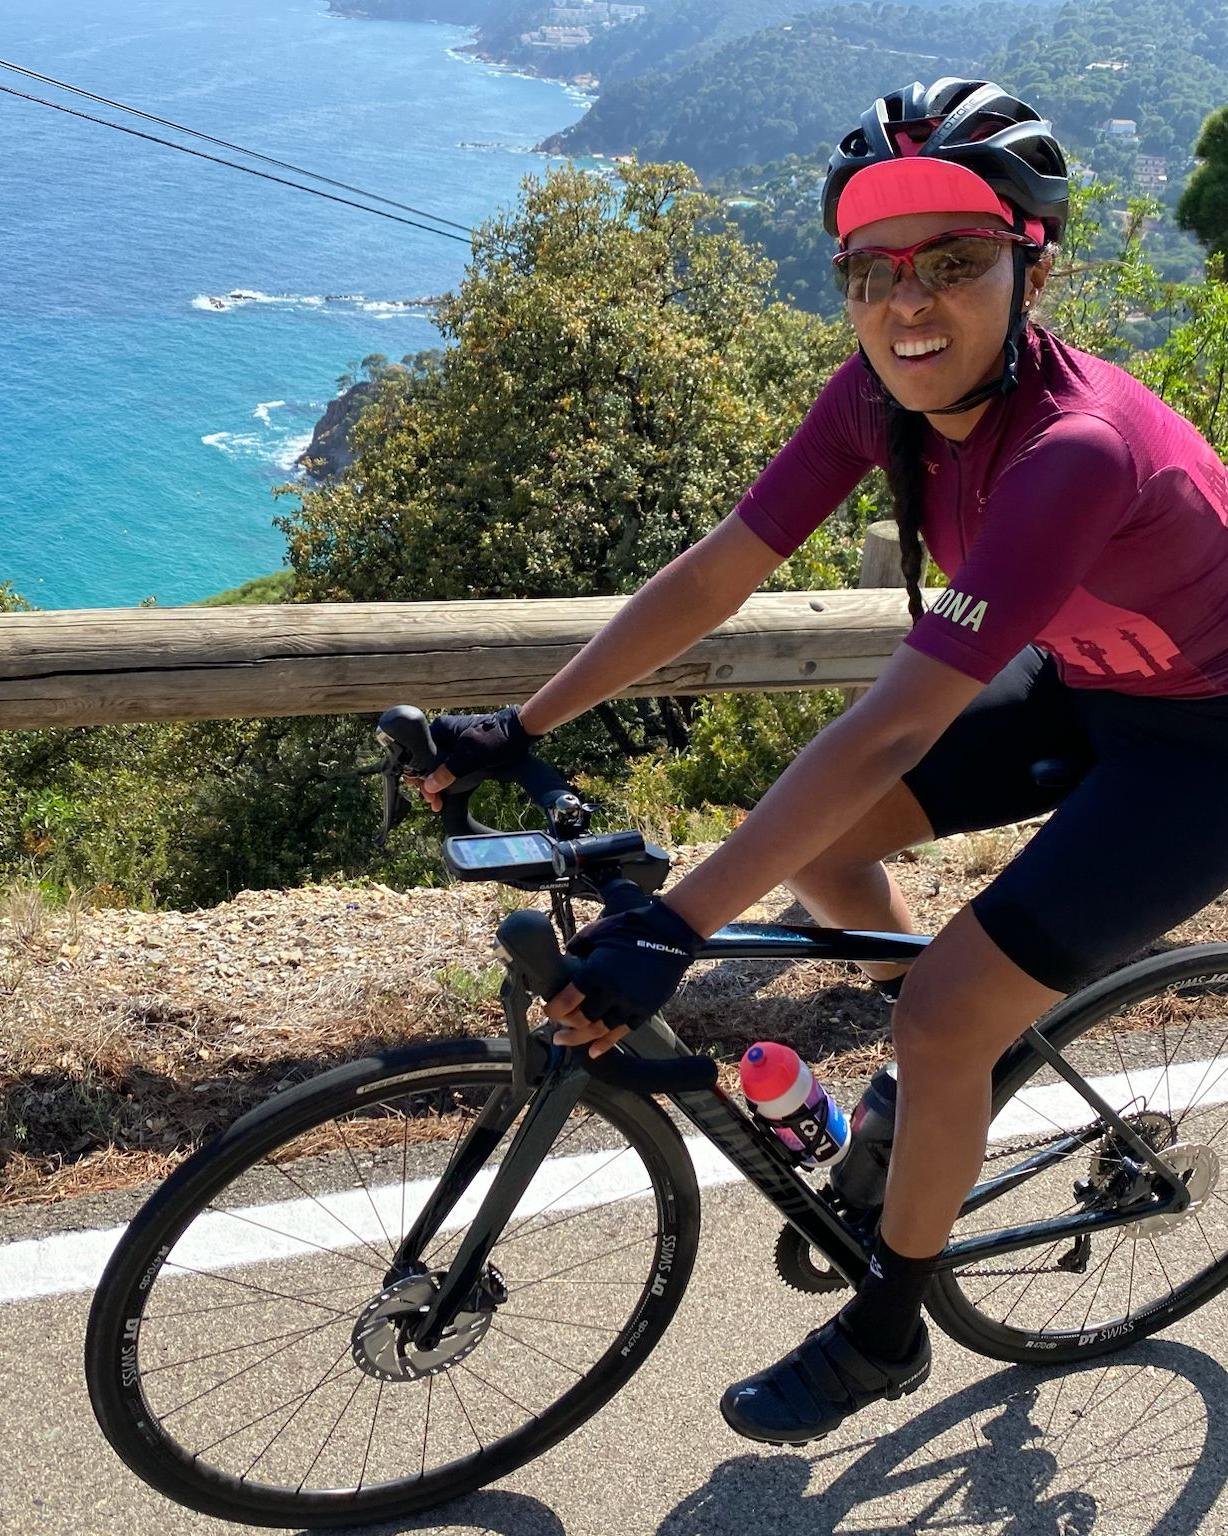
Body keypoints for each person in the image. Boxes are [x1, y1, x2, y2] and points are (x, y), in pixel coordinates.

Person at [411, 78, 1228, 1445]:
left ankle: (886, 1328)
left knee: (947, 1005)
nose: (909, 305)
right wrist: (522, 725)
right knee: (836, 848)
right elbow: (720, 572)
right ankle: (920, 1115)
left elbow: (896, 723)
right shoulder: (879, 401)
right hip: (1087, 685)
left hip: (1207, 744)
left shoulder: (1073, 453)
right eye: (873, 270)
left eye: (957, 264)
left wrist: (674, 925)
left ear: (1033, 264)